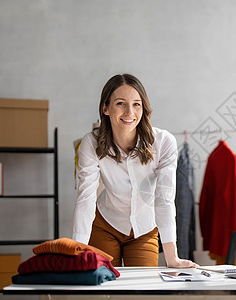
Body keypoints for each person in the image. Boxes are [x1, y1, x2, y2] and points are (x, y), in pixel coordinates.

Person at [72, 73, 197, 268]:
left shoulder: (164, 142)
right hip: (106, 224)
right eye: (121, 103)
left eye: (136, 104)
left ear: (143, 108)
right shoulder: (91, 142)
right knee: (103, 289)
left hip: (144, 228)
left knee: (143, 292)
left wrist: (172, 258)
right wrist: (77, 250)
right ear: (105, 108)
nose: (130, 112)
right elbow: (86, 197)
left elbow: (164, 198)